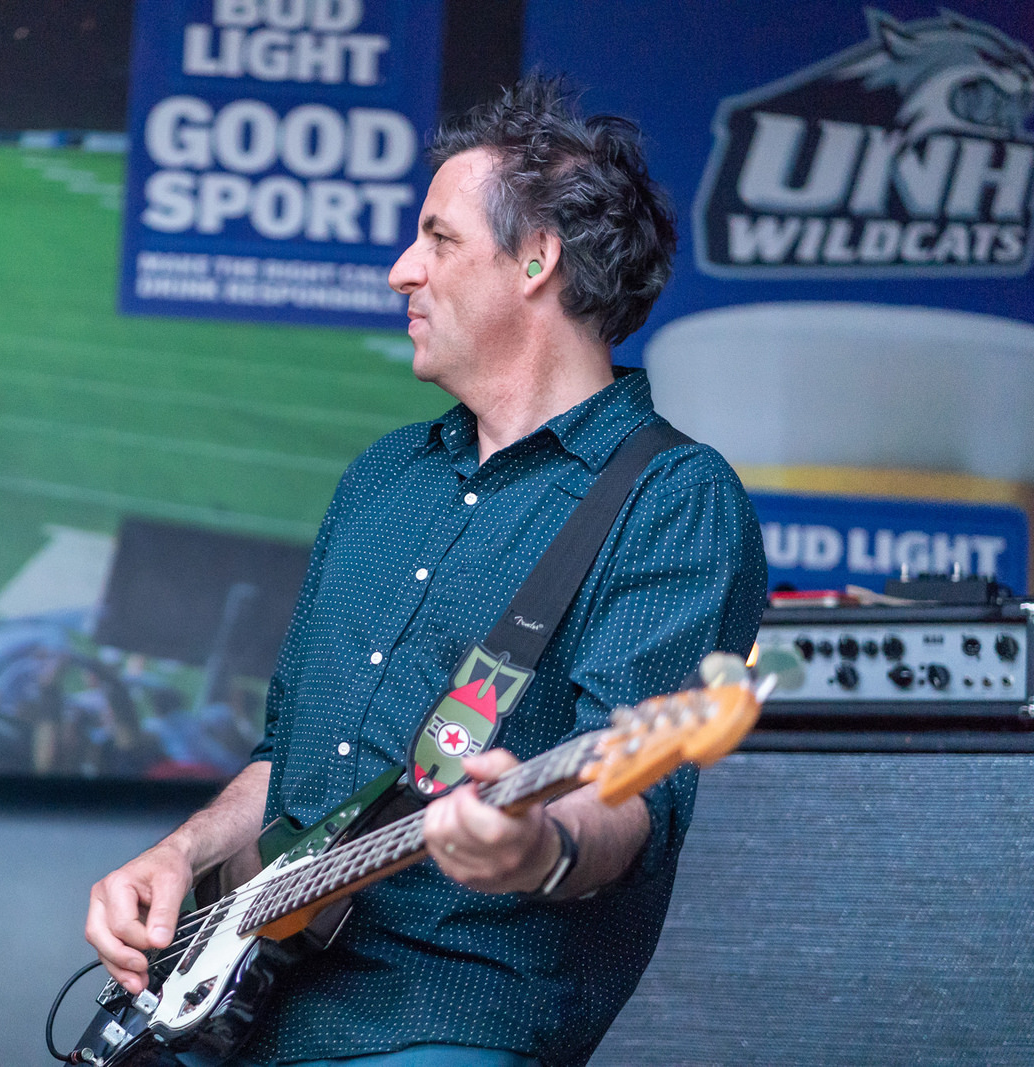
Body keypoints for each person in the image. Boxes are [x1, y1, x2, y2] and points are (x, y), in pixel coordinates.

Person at [85, 77, 768, 1067]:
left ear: (536, 259)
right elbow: (288, 760)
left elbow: (629, 799)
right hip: (246, 1007)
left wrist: (538, 844)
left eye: (438, 239)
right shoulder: (384, 477)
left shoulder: (673, 497)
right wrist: (179, 852)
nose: (401, 270)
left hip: (445, 1018)